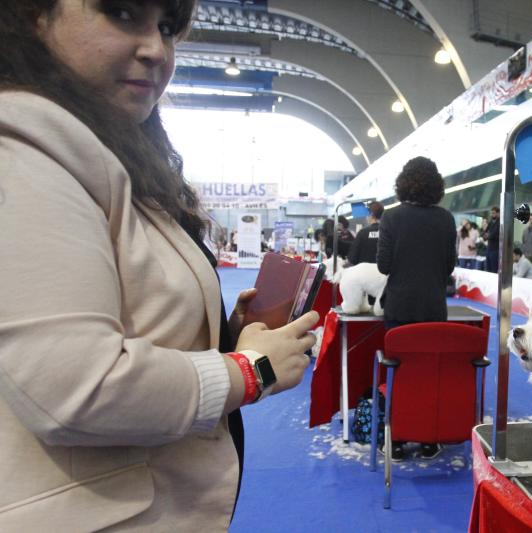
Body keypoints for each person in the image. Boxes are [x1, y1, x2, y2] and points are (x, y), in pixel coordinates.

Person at [0, 2, 317, 529]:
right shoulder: (24, 145)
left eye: (168, 28)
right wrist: (249, 370)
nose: (156, 50)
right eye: (122, 13)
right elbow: (75, 387)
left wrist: (220, 329)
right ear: (34, 14)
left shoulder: (110, 151)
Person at [376, 156, 456, 461]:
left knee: (398, 374)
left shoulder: (392, 218)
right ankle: (427, 438)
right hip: (434, 310)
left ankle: (394, 439)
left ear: (402, 183)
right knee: (428, 374)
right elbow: (449, 266)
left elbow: (384, 266)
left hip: (399, 311)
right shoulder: (446, 219)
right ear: (437, 185)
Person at [347, 201, 383, 265]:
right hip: (385, 272)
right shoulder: (388, 231)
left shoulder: (362, 233)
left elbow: (352, 258)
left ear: (371, 215)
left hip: (365, 272)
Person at [483, 206, 500, 273]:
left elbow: (493, 234)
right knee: (488, 268)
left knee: (494, 269)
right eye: (491, 213)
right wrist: (487, 235)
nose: (492, 215)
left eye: (493, 213)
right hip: (489, 248)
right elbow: (484, 233)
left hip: (495, 249)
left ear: (498, 213)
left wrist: (488, 235)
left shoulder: (499, 223)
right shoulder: (490, 223)